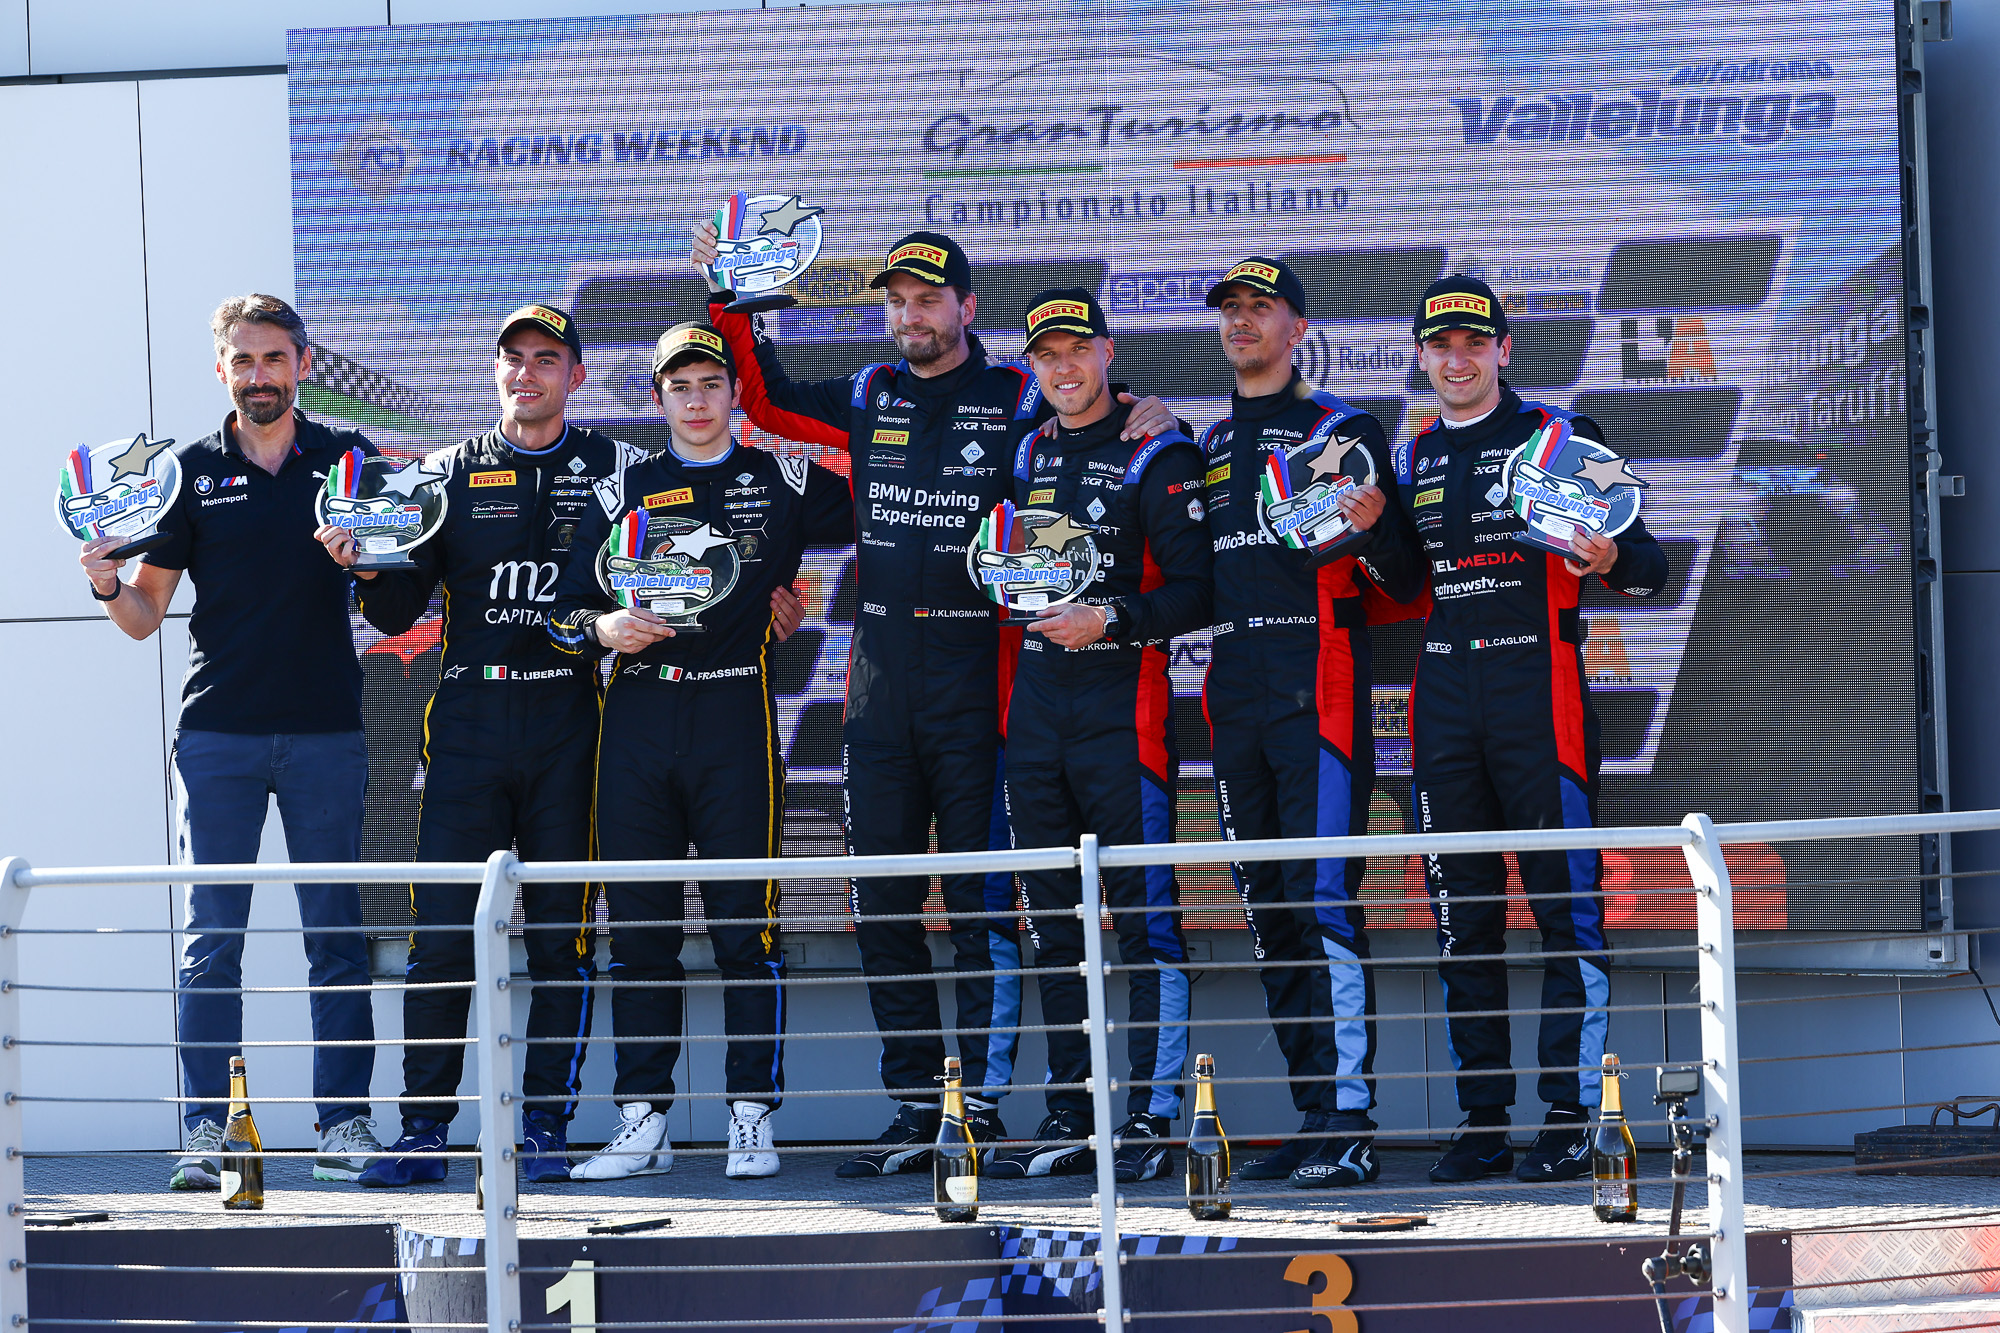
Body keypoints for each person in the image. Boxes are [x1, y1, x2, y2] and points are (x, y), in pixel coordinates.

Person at [693, 224, 1178, 1177]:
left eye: (927, 299)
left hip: (981, 688)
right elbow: (766, 398)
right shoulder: (872, 391)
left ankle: (980, 1108)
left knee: (983, 906)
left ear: (964, 306)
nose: (911, 315)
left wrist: (1148, 409)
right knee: (880, 902)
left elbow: (1098, 415)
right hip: (879, 687)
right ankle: (919, 1106)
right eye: (898, 301)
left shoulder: (1021, 394)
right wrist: (728, 297)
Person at [322, 304, 645, 1187]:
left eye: (546, 358)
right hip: (468, 720)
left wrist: (769, 590)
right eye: (513, 358)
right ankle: (423, 1131)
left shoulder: (619, 469)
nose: (526, 373)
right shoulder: (446, 473)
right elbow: (397, 610)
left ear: (576, 375)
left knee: (561, 942)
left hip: (570, 721)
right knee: (441, 939)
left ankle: (544, 1128)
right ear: (495, 371)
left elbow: (690, 551)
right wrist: (364, 565)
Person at [78, 294, 382, 1189]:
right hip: (218, 735)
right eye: (242, 361)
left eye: (273, 358)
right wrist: (106, 584)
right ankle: (207, 1130)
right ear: (221, 370)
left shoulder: (348, 459)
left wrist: (364, 558)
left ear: (304, 364)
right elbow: (146, 614)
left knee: (337, 937)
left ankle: (345, 1125)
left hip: (326, 730)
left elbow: (395, 590)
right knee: (212, 940)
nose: (259, 376)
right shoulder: (188, 472)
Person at [548, 322, 851, 1181]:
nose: (696, 398)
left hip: (734, 711)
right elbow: (563, 610)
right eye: (679, 385)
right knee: (640, 929)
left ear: (733, 392)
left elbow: (893, 490)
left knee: (744, 930)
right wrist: (604, 627)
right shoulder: (623, 489)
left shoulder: (783, 477)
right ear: (657, 397)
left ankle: (750, 1117)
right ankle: (642, 1121)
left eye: (711, 382)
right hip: (638, 716)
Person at [1388, 276, 1669, 1184]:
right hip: (1443, 699)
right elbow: (1401, 584)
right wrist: (1366, 530)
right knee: (1459, 919)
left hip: (1537, 692)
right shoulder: (1413, 455)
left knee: (1566, 910)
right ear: (1422, 355)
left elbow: (1650, 566)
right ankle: (1481, 1120)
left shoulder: (1559, 436)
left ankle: (1570, 1112)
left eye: (1475, 342)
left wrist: (1610, 555)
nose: (1457, 358)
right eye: (1441, 344)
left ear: (1503, 349)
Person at [1195, 258, 1423, 1188]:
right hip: (1233, 700)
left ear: (1297, 328)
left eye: (1261, 308)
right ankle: (1312, 1112)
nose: (1243, 322)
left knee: (1322, 900)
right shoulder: (1208, 442)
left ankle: (1352, 1121)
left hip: (1317, 695)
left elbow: (1406, 583)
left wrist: (1374, 529)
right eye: (1231, 309)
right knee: (1268, 908)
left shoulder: (1342, 431)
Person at [984, 289, 1212, 1183]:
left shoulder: (1159, 448)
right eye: (1046, 355)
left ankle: (1153, 1116)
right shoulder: (1028, 450)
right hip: (1038, 715)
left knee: (1148, 924)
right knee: (1051, 925)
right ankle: (1071, 1110)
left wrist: (1109, 618)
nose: (1063, 368)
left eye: (1077, 350)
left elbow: (1198, 591)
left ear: (1108, 352)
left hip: (1127, 718)